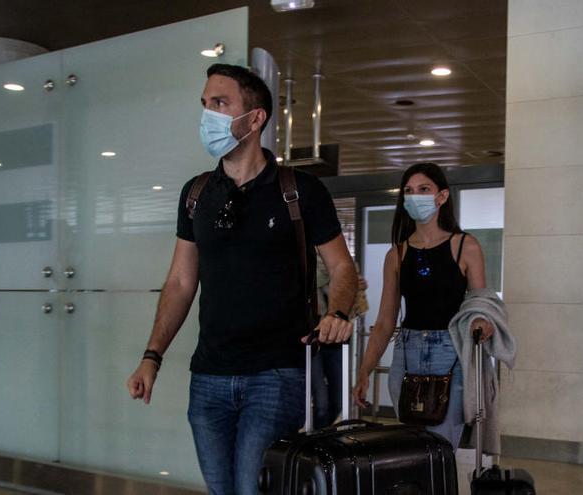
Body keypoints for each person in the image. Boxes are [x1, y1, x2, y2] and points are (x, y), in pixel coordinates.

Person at [125, 63, 358, 495]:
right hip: (210, 375)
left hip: (276, 374)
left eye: (220, 103)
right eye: (204, 104)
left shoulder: (299, 191)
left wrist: (339, 310)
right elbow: (179, 282)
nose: (207, 115)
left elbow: (343, 267)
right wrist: (151, 356)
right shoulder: (196, 194)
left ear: (255, 118)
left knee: (254, 490)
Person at [353, 162, 493, 448]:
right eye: (409, 191)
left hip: (450, 352)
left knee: (442, 446)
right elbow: (384, 321)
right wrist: (365, 371)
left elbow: (481, 302)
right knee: (413, 447)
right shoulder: (397, 253)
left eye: (424, 189)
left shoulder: (465, 246)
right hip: (407, 353)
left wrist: (482, 321)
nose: (415, 196)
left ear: (441, 196)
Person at [310, 255, 369, 428]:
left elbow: (359, 306)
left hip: (337, 342)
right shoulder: (309, 266)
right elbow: (317, 279)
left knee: (339, 400)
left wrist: (356, 287)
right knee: (321, 403)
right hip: (314, 343)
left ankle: (319, 437)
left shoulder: (349, 268)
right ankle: (314, 440)